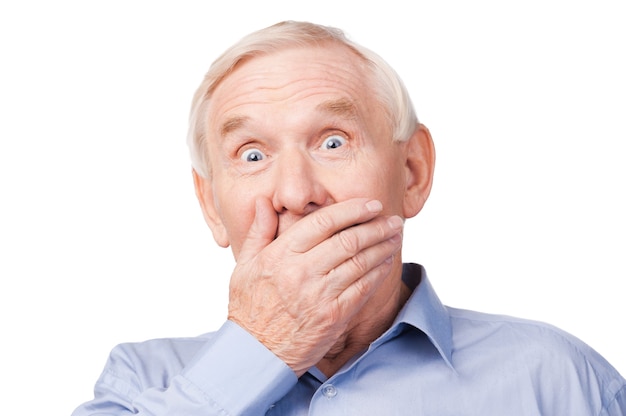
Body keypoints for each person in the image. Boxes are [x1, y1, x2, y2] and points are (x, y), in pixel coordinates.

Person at [72, 21, 625, 415]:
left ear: (412, 172)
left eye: (333, 141)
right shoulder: (143, 385)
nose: (294, 194)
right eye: (253, 155)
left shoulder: (557, 379)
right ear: (212, 206)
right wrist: (261, 347)